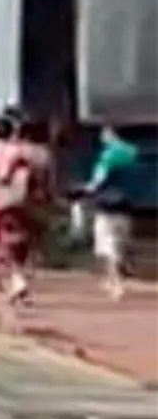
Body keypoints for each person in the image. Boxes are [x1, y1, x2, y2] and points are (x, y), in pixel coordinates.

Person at [80, 125, 139, 301]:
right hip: (128, 203)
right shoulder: (133, 152)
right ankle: (110, 278)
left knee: (108, 246)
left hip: (107, 204)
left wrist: (85, 189)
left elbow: (98, 180)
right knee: (120, 244)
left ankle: (117, 283)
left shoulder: (108, 155)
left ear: (111, 134)